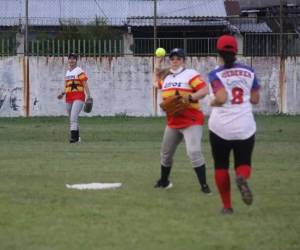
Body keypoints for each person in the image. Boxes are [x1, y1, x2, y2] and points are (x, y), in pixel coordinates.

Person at [208, 35, 260, 214]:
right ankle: (241, 177)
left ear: (218, 52)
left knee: (221, 165)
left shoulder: (216, 74)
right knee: (243, 163)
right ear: (236, 52)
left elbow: (221, 98)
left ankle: (227, 206)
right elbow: (255, 99)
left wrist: (212, 102)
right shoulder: (250, 72)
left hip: (220, 128)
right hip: (245, 127)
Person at [153, 48, 211, 194]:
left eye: (178, 58)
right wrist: (158, 63)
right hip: (173, 121)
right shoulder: (166, 77)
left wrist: (191, 98)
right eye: (172, 58)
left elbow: (204, 90)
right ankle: (164, 181)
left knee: (194, 152)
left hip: (191, 120)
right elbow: (156, 83)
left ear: (184, 61)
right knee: (166, 154)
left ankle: (204, 186)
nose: (175, 61)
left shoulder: (190, 74)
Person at [57, 53, 91, 143]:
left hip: (79, 96)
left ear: (76, 60)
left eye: (73, 59)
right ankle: (77, 137)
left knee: (73, 118)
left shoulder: (79, 70)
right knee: (73, 119)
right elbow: (67, 86)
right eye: (70, 59)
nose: (71, 60)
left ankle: (73, 139)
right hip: (69, 97)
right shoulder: (68, 72)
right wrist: (62, 94)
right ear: (68, 60)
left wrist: (89, 95)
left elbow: (84, 83)